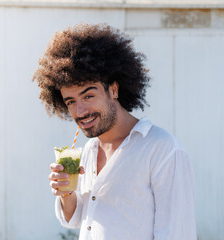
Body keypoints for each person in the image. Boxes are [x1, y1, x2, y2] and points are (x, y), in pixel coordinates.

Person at [33, 23, 196, 240]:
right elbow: (77, 219)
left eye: (88, 96)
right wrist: (66, 193)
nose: (80, 111)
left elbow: (177, 234)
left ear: (114, 89)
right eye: (70, 101)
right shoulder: (89, 150)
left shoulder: (163, 150)